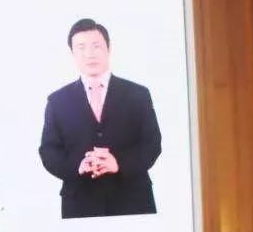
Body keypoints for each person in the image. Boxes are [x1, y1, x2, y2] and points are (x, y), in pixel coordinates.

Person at [38, 18, 162, 219]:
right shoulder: (57, 101)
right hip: (80, 204)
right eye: (81, 47)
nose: (90, 54)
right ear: (72, 53)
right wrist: (77, 166)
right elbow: (48, 151)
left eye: (96, 46)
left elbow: (152, 144)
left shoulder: (138, 94)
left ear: (109, 48)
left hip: (133, 202)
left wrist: (119, 163)